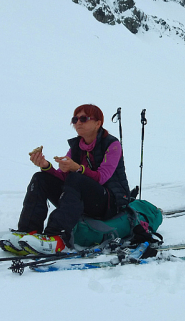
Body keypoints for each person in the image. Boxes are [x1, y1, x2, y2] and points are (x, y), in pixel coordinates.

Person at [7, 104, 130, 254]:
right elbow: (62, 177)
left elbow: (102, 177)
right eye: (75, 119)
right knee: (40, 178)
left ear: (98, 123)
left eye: (83, 118)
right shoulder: (76, 147)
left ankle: (57, 235)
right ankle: (28, 231)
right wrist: (46, 166)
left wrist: (77, 168)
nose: (78, 122)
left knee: (75, 178)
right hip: (83, 199)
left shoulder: (112, 145)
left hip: (110, 203)